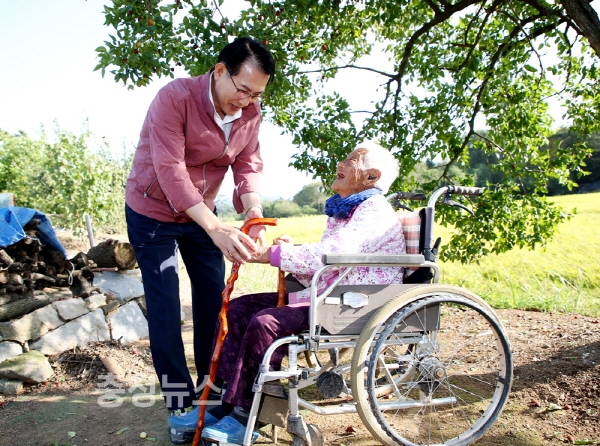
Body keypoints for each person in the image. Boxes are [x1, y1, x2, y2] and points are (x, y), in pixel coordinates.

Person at [200, 141, 407, 445]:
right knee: (238, 309)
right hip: (327, 294)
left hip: (353, 302)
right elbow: (325, 264)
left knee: (266, 323)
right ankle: (228, 403)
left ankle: (248, 413)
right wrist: (288, 252)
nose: (340, 163)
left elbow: (329, 256)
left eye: (351, 160)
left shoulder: (373, 210)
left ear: (371, 176)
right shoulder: (346, 211)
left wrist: (270, 254)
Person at [124, 37, 275, 444]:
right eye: (242, 90)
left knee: (213, 301)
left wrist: (253, 213)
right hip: (153, 211)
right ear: (220, 70)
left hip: (201, 213)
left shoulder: (250, 113)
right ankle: (179, 403)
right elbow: (170, 169)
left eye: (256, 94)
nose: (247, 101)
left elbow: (248, 165)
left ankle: (213, 390)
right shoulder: (175, 98)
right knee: (165, 307)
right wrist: (215, 228)